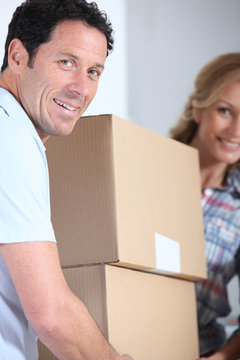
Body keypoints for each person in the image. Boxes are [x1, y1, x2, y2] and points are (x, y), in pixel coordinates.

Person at [0, 0, 134, 359]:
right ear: (17, 56)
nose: (81, 88)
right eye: (66, 62)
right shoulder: (9, 137)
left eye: (93, 71)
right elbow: (51, 314)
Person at [170, 53, 240, 360]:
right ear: (198, 109)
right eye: (225, 111)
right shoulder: (144, 168)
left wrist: (223, 357)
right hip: (122, 345)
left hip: (198, 350)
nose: (236, 130)